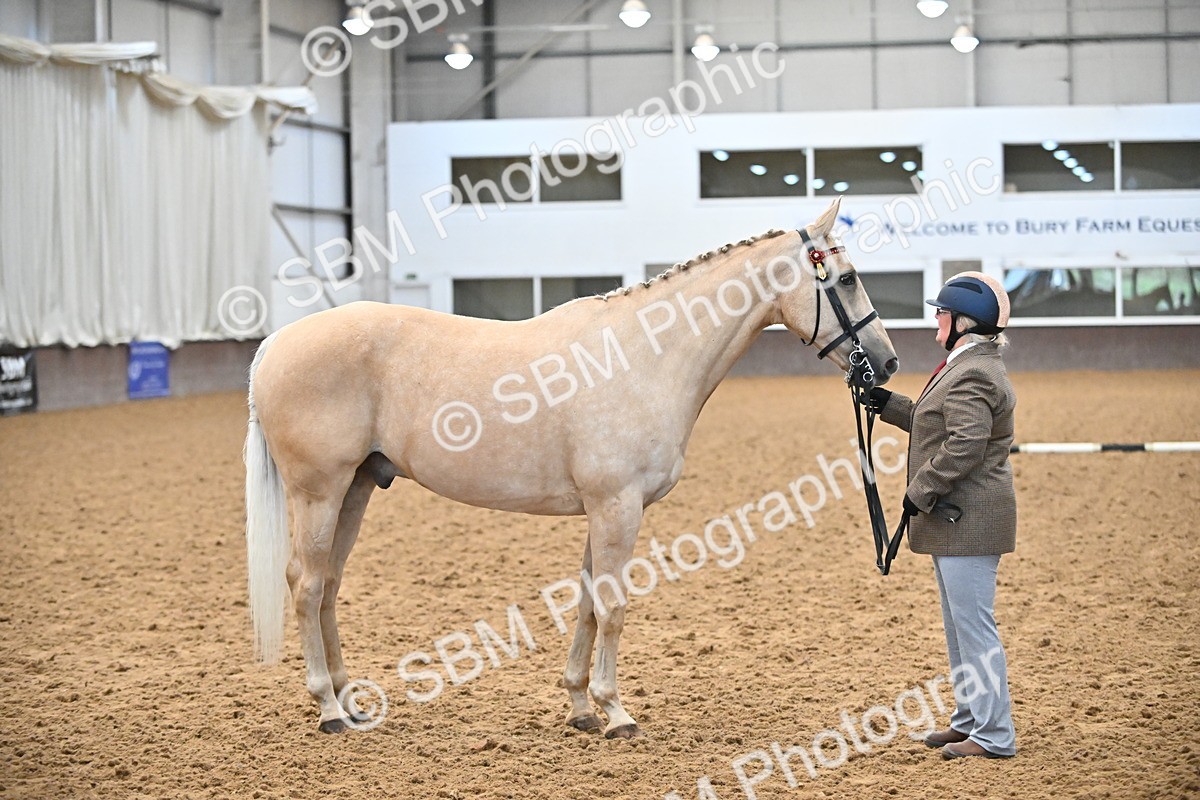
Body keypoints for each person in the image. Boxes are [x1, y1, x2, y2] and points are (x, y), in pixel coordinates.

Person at [868, 272, 1018, 760]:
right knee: (960, 627)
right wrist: (885, 403)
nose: (936, 318)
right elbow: (937, 421)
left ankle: (994, 735)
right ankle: (970, 719)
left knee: (974, 629)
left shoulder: (974, 371)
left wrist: (920, 490)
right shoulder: (966, 363)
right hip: (957, 519)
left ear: (963, 322)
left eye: (942, 312)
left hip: (968, 519)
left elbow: (966, 442)